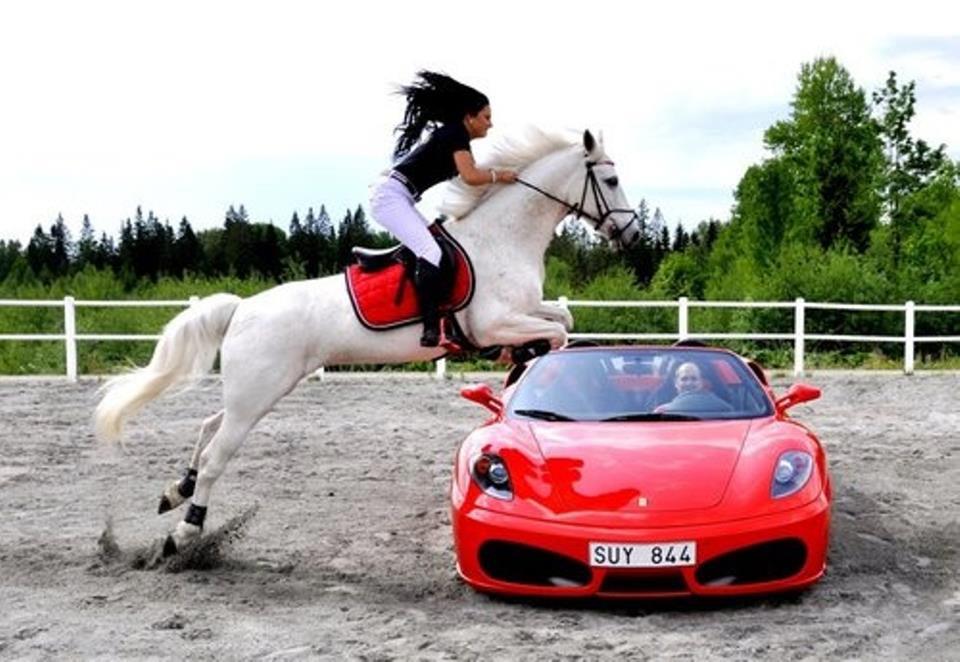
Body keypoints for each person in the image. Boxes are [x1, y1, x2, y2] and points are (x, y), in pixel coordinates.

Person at [370, 71, 518, 347]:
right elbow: (471, 177)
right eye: (486, 117)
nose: (491, 123)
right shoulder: (455, 134)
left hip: (399, 196)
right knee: (431, 251)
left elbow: (472, 177)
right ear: (469, 117)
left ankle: (443, 320)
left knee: (439, 247)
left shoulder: (456, 136)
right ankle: (429, 328)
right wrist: (501, 176)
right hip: (391, 197)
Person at [657, 362, 732, 413]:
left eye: (694, 379)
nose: (689, 383)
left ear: (701, 382)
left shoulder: (721, 407)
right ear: (676, 383)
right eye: (684, 379)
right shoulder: (662, 411)